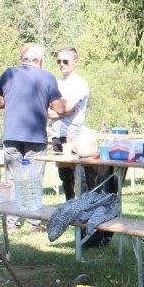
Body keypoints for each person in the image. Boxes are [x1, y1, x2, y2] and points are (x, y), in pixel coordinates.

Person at [0, 43, 66, 229]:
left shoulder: (8, 74)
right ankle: (33, 222)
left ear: (22, 58)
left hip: (12, 134)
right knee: (33, 178)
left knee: (12, 179)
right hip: (35, 136)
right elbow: (60, 108)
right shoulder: (47, 77)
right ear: (40, 59)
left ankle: (12, 223)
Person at [49, 46, 90, 200]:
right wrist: (63, 111)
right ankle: (69, 207)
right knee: (65, 178)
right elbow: (47, 110)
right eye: (58, 61)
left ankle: (84, 208)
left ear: (75, 62)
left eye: (65, 61)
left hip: (75, 136)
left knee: (81, 178)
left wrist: (60, 110)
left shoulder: (80, 83)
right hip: (57, 135)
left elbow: (69, 107)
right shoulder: (55, 83)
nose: (61, 64)